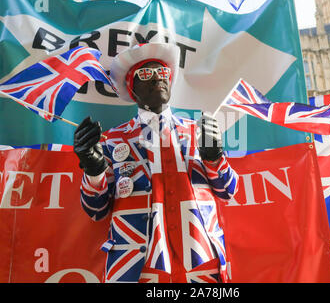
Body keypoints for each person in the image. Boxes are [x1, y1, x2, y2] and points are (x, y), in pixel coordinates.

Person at [73, 42, 239, 283]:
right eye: (146, 74)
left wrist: (215, 158)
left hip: (203, 263)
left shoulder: (199, 132)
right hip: (136, 267)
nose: (157, 78)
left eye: (162, 72)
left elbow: (228, 191)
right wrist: (94, 171)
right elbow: (95, 210)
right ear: (132, 88)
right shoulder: (113, 139)